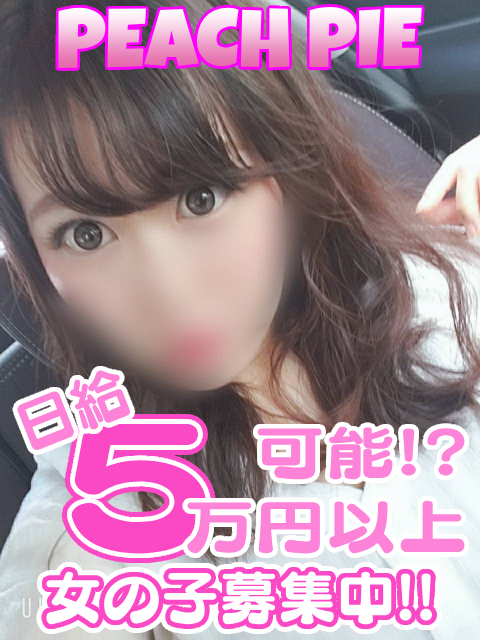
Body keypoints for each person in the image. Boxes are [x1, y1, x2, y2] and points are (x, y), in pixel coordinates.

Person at [0, 1, 480, 638]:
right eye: (85, 235)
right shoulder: (101, 489)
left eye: (202, 198)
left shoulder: (439, 285)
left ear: (287, 163)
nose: (172, 296)